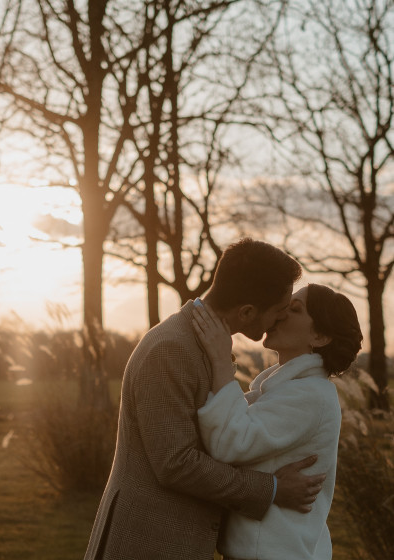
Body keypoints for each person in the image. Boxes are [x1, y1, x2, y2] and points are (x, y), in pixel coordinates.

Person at [83, 238, 326, 560]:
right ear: (248, 312)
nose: (280, 320)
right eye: (279, 311)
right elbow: (175, 463)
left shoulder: (202, 345)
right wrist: (273, 489)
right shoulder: (171, 349)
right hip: (148, 541)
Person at [193, 283, 363, 560]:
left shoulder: (309, 394)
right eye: (284, 305)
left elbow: (229, 442)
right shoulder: (287, 388)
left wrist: (221, 362)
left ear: (320, 336)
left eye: (294, 309)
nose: (280, 314)